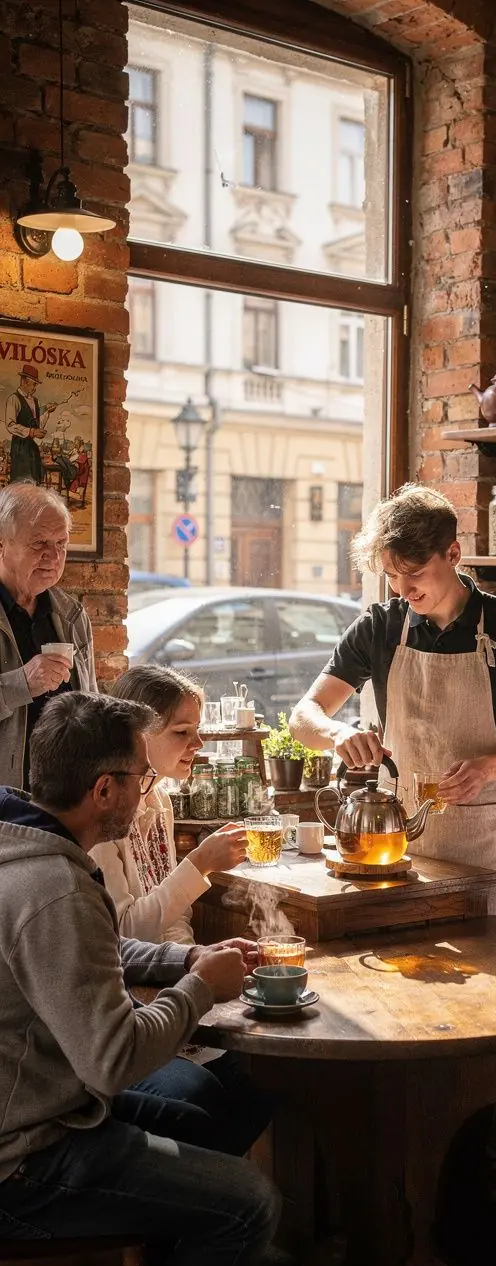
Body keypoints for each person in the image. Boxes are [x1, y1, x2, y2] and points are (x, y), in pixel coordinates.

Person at [0, 691, 278, 1266]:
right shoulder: (53, 884)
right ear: (103, 791)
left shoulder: (19, 844)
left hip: (34, 1115)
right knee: (247, 1203)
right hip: (24, 1163)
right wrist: (196, 991)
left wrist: (183, 955)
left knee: (210, 1124)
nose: (144, 791)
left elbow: (90, 950)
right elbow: (114, 1060)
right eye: (138, 778)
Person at [289, 484, 496, 913]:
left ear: (452, 554)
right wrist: (336, 732)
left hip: (488, 842)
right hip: (395, 847)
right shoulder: (379, 627)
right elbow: (303, 717)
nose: (402, 589)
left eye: (413, 573)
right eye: (391, 576)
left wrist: (490, 767)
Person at [91, 664, 272, 1157]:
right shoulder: (106, 810)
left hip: (167, 984)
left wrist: (196, 958)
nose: (198, 743)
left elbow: (172, 920)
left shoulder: (161, 802)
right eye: (182, 732)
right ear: (138, 734)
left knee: (262, 1090)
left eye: (197, 731)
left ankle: (208, 1206)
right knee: (211, 1097)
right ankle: (194, 1211)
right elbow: (122, 930)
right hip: (126, 1003)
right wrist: (199, 866)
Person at [0, 482, 96, 788]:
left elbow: (91, 698)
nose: (53, 556)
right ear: (2, 544)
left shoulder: (71, 615)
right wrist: (21, 684)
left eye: (61, 543)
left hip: (65, 797)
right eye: (39, 543)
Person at [4, 363, 57, 482]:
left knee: (35, 478)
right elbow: (10, 425)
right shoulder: (14, 399)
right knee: (21, 481)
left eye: (36, 385)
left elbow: (37, 424)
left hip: (31, 447)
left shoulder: (35, 401)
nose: (35, 388)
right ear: (23, 381)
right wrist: (32, 432)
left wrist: (47, 412)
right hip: (19, 447)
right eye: (33, 384)